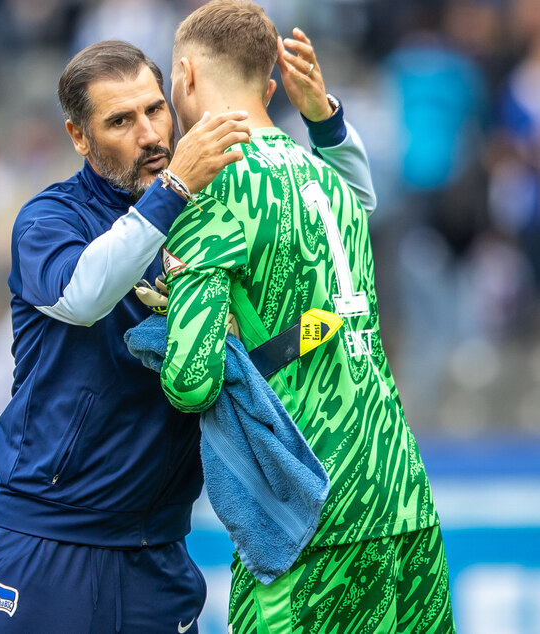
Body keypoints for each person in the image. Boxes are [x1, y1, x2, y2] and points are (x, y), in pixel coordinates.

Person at [0, 30, 379, 633]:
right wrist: (174, 191)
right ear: (79, 136)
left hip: (159, 548)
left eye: (155, 109)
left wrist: (323, 123)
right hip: (47, 536)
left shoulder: (209, 211)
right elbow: (83, 294)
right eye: (121, 121)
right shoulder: (50, 219)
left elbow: (344, 212)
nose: (151, 135)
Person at [160, 2, 456, 632]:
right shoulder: (332, 180)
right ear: (269, 86)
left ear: (185, 76)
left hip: (308, 512)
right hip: (400, 493)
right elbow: (323, 319)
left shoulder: (212, 190)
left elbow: (191, 379)